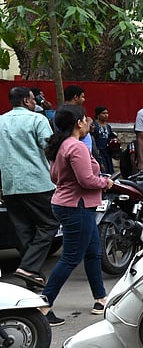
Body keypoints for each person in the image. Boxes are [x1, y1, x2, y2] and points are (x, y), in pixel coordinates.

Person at [42, 105, 115, 321]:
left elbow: (55, 178)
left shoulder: (60, 145)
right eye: (85, 120)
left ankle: (100, 299)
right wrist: (106, 182)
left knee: (93, 251)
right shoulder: (77, 147)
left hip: (67, 203)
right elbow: (87, 180)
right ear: (78, 123)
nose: (87, 123)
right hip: (78, 206)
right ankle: (43, 305)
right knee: (71, 257)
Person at [0, 87, 59, 311]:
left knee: (23, 229)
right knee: (50, 223)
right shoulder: (37, 119)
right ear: (26, 100)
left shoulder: (1, 121)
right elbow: (49, 147)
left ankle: (31, 277)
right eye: (34, 99)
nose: (36, 103)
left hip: (11, 184)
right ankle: (28, 267)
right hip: (37, 181)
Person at [91, 106, 117, 174]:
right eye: (103, 113)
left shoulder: (108, 126)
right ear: (98, 115)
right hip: (99, 151)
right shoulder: (94, 126)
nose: (106, 115)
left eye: (107, 113)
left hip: (107, 151)